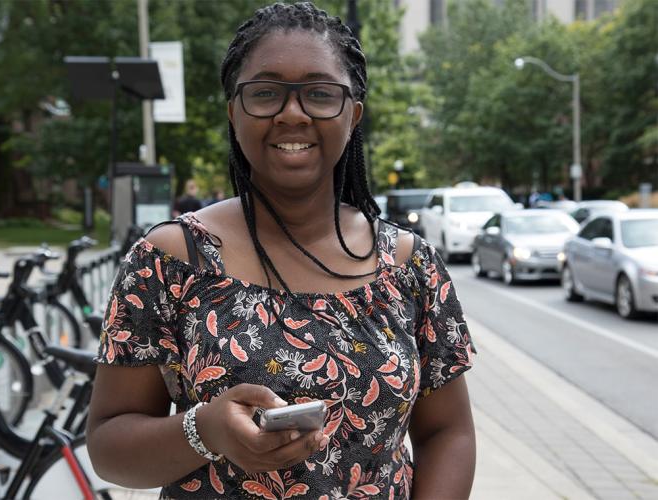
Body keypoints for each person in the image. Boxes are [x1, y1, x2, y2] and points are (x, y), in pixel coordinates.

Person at [87, 3, 476, 498]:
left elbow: (449, 432)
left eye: (319, 94)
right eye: (266, 93)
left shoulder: (408, 264)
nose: (292, 114)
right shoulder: (170, 260)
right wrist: (207, 430)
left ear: (353, 114)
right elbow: (108, 446)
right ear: (234, 111)